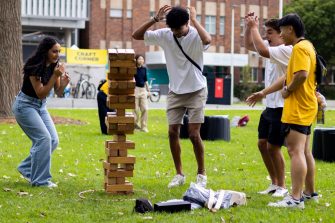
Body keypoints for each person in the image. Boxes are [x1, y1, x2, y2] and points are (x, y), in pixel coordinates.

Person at [132, 5, 211, 188]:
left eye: (179, 29)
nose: (176, 32)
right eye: (173, 29)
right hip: (175, 91)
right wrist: (154, 19)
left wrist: (195, 19)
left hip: (196, 90)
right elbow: (136, 35)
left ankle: (201, 174)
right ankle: (179, 174)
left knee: (193, 134)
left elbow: (207, 39)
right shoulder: (166, 34)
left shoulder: (195, 35)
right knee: (172, 132)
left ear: (187, 23)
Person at [246, 13, 319, 208]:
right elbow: (288, 77)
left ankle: (295, 198)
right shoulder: (306, 46)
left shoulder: (299, 49)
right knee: (304, 151)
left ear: (290, 29)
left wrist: (288, 90)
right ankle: (310, 193)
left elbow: (301, 76)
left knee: (295, 151)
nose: (280, 35)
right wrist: (264, 92)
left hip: (299, 106)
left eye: (281, 30)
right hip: (305, 106)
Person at [244, 14, 292, 197]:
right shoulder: (271, 49)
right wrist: (249, 27)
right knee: (262, 144)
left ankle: (283, 186)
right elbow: (250, 45)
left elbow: (261, 49)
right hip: (269, 107)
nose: (267, 36)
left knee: (274, 147)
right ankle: (274, 183)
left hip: (282, 106)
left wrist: (254, 27)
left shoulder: (285, 51)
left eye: (270, 32)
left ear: (282, 34)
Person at [12, 37, 70, 187]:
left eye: (59, 51)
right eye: (54, 51)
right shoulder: (34, 66)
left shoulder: (54, 65)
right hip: (25, 106)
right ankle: (40, 181)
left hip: (40, 106)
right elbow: (40, 92)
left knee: (53, 140)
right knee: (43, 139)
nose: (57, 54)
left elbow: (57, 91)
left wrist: (63, 84)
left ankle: (26, 168)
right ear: (46, 51)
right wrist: (55, 76)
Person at [134, 55, 150, 133]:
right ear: (136, 60)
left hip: (143, 90)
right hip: (135, 90)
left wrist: (148, 91)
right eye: (140, 59)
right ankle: (135, 126)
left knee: (145, 109)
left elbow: (146, 80)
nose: (141, 60)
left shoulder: (144, 69)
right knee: (135, 110)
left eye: (142, 59)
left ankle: (143, 127)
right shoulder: (133, 69)